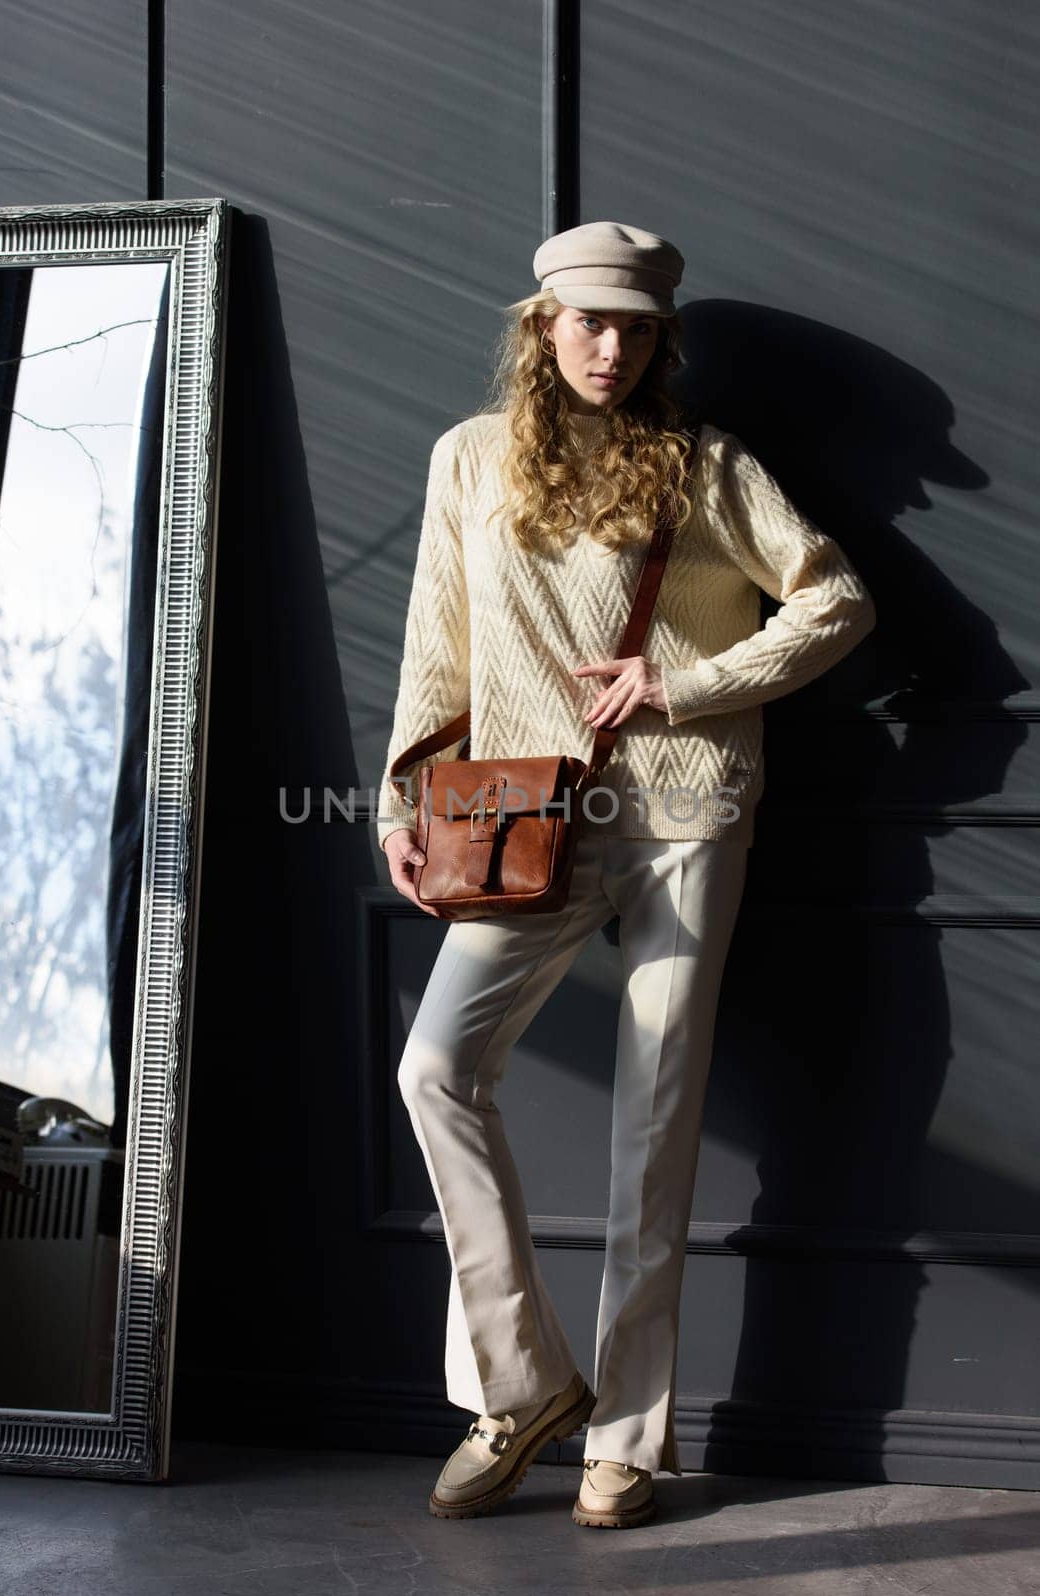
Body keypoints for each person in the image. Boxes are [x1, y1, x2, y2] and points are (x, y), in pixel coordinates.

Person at [375, 220, 876, 1528]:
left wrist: (687, 684)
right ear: (540, 323)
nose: (611, 345)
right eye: (588, 319)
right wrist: (402, 797)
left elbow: (836, 600)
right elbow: (440, 641)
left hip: (685, 817)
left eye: (637, 325)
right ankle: (523, 1381)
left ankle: (632, 1444)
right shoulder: (469, 461)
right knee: (436, 1068)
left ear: (662, 337)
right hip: (523, 819)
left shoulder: (707, 468)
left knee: (655, 1128)